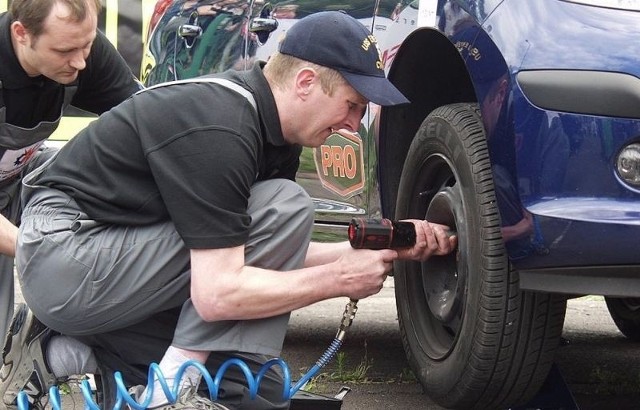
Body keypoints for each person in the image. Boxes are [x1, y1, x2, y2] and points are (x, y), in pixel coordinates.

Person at [5, 11, 455, 410]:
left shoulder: (270, 131)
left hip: (110, 260)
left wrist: (390, 245)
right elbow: (217, 292)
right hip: (64, 254)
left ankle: (59, 350)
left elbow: (251, 250)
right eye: (352, 105)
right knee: (286, 205)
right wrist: (336, 281)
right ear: (305, 83)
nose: (353, 127)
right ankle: (169, 394)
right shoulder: (222, 126)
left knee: (254, 388)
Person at [0, 0, 141, 356]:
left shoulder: (79, 47)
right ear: (21, 34)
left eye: (87, 45)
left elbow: (147, 119)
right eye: (64, 51)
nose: (80, 62)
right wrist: (44, 250)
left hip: (20, 175)